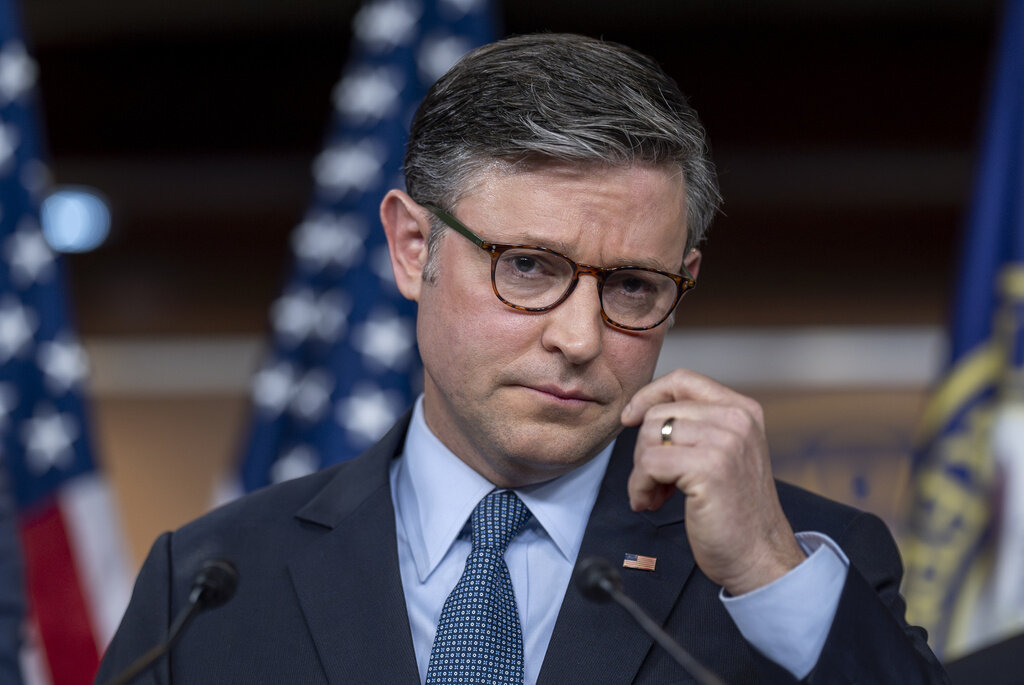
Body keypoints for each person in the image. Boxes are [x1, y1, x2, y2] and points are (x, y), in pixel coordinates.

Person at [95, 33, 947, 684]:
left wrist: (766, 571)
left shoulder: (807, 563)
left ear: (684, 280)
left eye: (634, 287)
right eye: (528, 267)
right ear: (410, 247)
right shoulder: (211, 583)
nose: (580, 338)